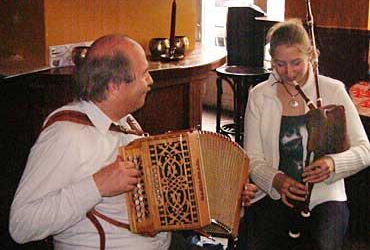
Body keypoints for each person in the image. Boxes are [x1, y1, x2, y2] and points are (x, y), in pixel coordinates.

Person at [9, 34, 257, 250]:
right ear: (114, 87)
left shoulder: (126, 122)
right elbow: (21, 225)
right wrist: (97, 185)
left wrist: (226, 196)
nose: (150, 81)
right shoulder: (66, 136)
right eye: (144, 74)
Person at [243, 19, 370, 250]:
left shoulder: (333, 90)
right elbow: (252, 158)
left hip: (325, 196)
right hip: (273, 194)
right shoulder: (259, 95)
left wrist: (333, 164)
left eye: (296, 63)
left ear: (310, 56)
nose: (289, 73)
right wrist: (276, 180)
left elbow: (365, 150)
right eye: (280, 64)